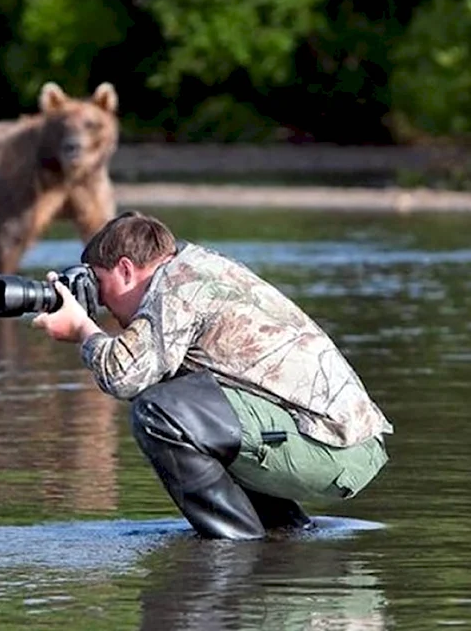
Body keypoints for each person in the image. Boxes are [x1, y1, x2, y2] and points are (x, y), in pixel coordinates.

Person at [31, 211, 394, 540]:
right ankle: (282, 533)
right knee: (184, 400)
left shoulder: (177, 286)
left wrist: (82, 329)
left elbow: (123, 376)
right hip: (340, 442)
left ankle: (236, 545)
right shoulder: (195, 267)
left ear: (126, 269)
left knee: (159, 411)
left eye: (99, 285)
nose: (102, 302)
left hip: (334, 446)